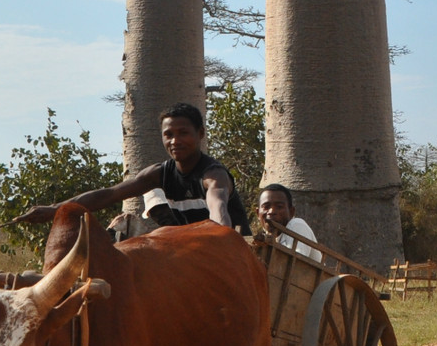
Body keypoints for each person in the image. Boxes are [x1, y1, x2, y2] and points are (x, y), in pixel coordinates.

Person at [25, 101, 249, 234]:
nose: (175, 141)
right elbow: (110, 194)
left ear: (200, 134)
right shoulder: (159, 173)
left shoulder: (213, 175)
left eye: (183, 133)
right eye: (168, 135)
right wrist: (55, 209)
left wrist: (222, 237)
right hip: (193, 250)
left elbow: (218, 207)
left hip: (230, 251)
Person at [256, 184, 326, 266]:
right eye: (266, 207)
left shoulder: (297, 225)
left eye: (279, 207)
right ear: (257, 213)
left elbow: (295, 263)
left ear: (291, 212)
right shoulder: (268, 237)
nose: (271, 211)